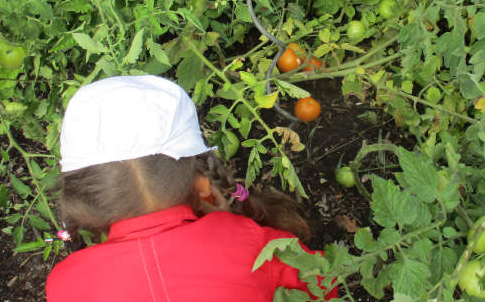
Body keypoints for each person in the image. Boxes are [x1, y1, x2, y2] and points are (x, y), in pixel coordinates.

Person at [46, 75, 338, 302]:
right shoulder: (249, 242)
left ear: (86, 199)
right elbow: (322, 282)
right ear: (203, 185)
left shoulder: (65, 284)